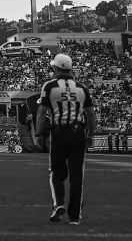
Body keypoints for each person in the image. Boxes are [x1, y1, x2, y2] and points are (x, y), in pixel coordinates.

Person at [34, 53, 95, 226]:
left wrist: (38, 134)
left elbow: (41, 112)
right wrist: (90, 134)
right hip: (78, 133)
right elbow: (90, 114)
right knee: (77, 176)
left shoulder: (50, 85)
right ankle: (75, 217)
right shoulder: (82, 88)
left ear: (56, 68)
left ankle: (58, 204)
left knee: (56, 172)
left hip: (59, 133)